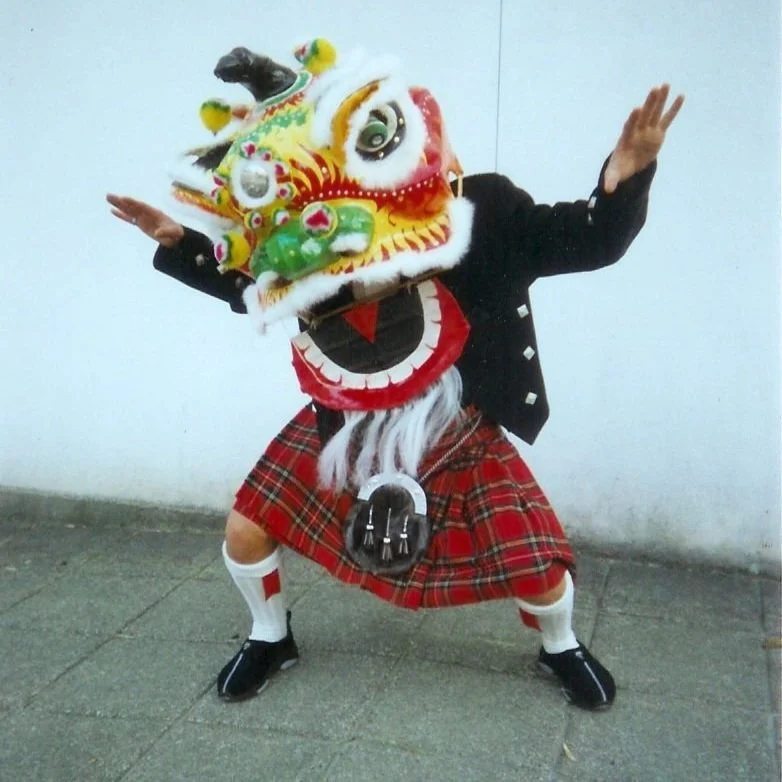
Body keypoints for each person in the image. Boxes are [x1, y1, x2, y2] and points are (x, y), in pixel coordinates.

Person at [107, 39, 683, 710]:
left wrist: (625, 177)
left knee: (539, 567)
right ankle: (270, 637)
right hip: (345, 419)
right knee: (246, 529)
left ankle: (560, 646)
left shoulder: (482, 212)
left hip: (456, 420)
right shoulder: (309, 238)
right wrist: (182, 245)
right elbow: (250, 287)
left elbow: (590, 239)